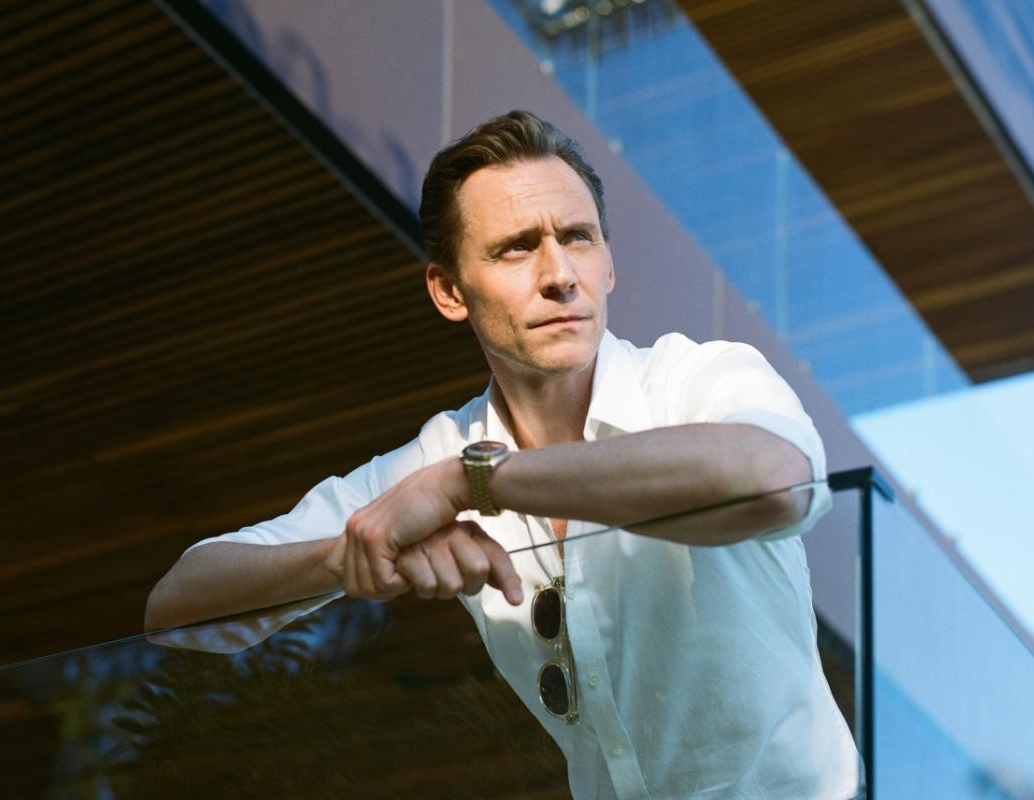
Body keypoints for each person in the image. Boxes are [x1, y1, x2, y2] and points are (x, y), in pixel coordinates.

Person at [146, 110, 861, 799]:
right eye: (517, 247)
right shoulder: (434, 456)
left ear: (609, 263)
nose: (560, 274)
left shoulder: (697, 379)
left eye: (578, 238)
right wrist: (355, 553)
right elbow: (176, 606)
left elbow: (776, 481)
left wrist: (476, 483)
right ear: (448, 291)